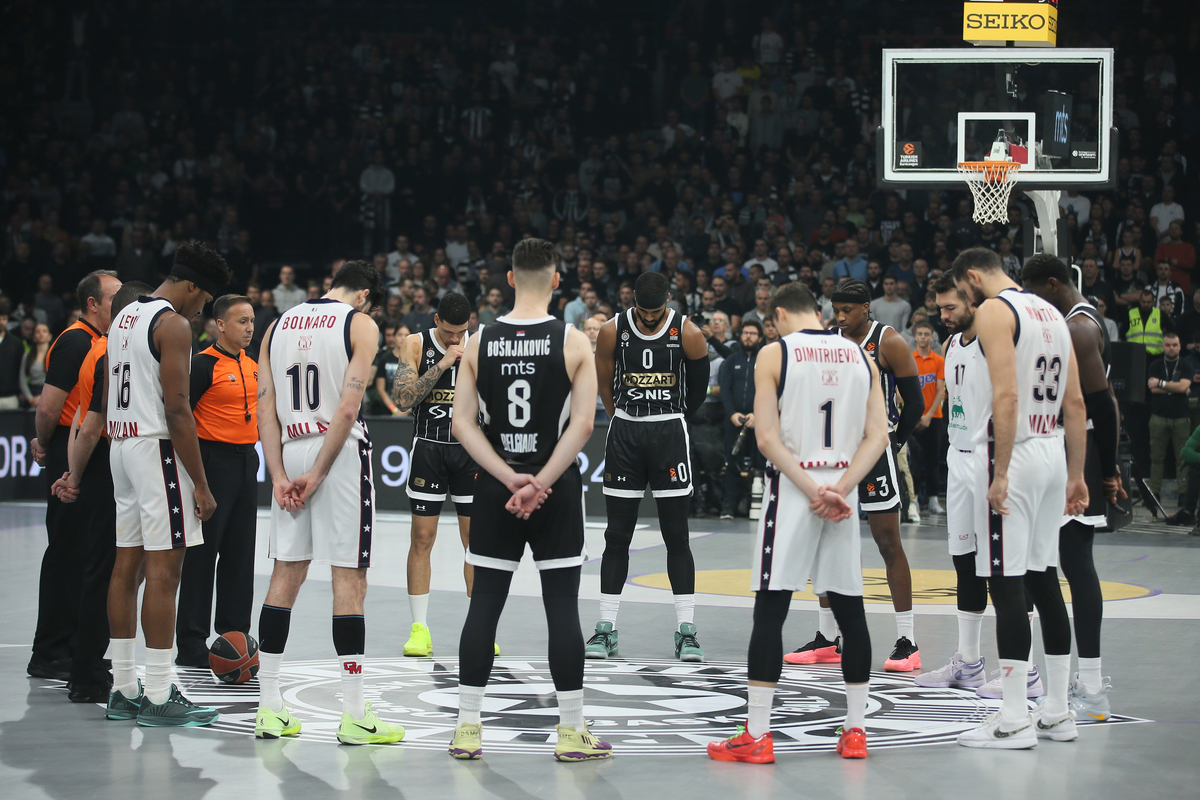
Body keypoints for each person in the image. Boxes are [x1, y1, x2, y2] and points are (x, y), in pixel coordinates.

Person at [706, 281, 889, 763]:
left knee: (771, 608)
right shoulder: (859, 356)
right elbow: (879, 436)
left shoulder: (775, 353)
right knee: (850, 610)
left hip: (796, 489)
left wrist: (813, 491)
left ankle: (758, 734)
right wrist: (841, 490)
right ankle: (855, 731)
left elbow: (766, 438)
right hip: (842, 493)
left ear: (782, 314)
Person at [447, 237, 610, 761]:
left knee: (485, 604)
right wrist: (539, 481)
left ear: (510, 279)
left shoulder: (477, 342)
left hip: (496, 489)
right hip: (555, 490)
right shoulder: (573, 341)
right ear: (557, 280)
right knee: (561, 606)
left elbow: (461, 425)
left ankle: (467, 729)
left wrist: (510, 478)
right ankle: (570, 733)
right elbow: (583, 425)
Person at [254, 259, 406, 744]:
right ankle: (355, 714)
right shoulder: (360, 323)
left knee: (286, 573)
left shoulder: (276, 324)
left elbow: (263, 404)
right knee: (349, 578)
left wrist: (279, 474)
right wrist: (317, 473)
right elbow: (347, 406)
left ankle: (269, 707)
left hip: (289, 448)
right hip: (335, 456)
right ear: (365, 294)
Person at [951, 247, 1088, 749]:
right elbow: (1075, 402)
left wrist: (1001, 471)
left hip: (1015, 453)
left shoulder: (994, 310)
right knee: (1044, 578)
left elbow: (1006, 395)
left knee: (1007, 587)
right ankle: (1057, 710)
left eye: (963, 290)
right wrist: (1076, 475)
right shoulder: (1053, 312)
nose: (966, 300)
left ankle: (1013, 718)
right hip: (1053, 451)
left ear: (973, 278)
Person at [103, 242, 231, 726]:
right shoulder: (173, 323)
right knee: (164, 573)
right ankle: (158, 694)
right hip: (156, 448)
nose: (203, 309)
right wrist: (200, 483)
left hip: (122, 446)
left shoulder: (124, 317)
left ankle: (122, 687)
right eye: (204, 299)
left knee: (126, 568)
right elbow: (177, 408)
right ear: (192, 286)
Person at [787, 278, 924, 672]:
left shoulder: (889, 342)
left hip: (874, 452)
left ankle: (908, 641)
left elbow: (914, 402)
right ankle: (828, 639)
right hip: (835, 455)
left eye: (848, 310)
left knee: (887, 541)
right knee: (825, 541)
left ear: (867, 308)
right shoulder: (829, 341)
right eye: (837, 310)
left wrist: (893, 443)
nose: (841, 317)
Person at [1021, 255, 1125, 722]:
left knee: (1074, 564)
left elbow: (1103, 406)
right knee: (1049, 562)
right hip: (1067, 449)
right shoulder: (1080, 318)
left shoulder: (1079, 329)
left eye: (1035, 293)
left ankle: (1091, 687)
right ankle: (1045, 678)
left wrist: (1109, 469)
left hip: (1075, 452)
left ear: (1052, 284)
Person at [587, 272, 711, 661]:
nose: (650, 318)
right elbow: (604, 382)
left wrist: (671, 418)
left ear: (669, 301)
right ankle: (605, 629)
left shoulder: (687, 332)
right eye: (643, 311)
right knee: (616, 535)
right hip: (625, 434)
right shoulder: (612, 330)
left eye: (656, 312)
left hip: (669, 434)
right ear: (632, 302)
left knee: (677, 535)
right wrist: (622, 416)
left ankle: (686, 631)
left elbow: (698, 390)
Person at [48, 281, 151, 703]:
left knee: (103, 569)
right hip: (110, 469)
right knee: (110, 572)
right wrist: (75, 473)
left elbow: (80, 421)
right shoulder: (111, 352)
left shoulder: (99, 351)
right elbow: (90, 424)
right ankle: (88, 672)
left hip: (94, 467)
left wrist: (73, 472)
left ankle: (89, 663)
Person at [27, 270, 121, 682]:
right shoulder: (75, 341)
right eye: (114, 298)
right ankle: (49, 651)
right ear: (92, 304)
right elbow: (49, 407)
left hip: (81, 445)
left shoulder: (100, 342)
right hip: (71, 446)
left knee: (86, 555)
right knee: (68, 554)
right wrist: (45, 443)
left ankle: (76, 646)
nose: (122, 306)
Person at [914, 273, 991, 692]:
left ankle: (1025, 670)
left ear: (972, 302)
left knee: (1000, 568)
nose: (943, 316)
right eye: (939, 308)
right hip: (957, 458)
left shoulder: (993, 341)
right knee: (964, 563)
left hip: (988, 460)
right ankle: (969, 662)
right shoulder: (949, 345)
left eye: (950, 308)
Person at [174, 295, 260, 667]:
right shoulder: (202, 365)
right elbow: (180, 420)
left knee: (240, 557)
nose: (249, 328)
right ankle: (191, 643)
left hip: (246, 461)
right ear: (220, 324)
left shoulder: (255, 366)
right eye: (242, 321)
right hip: (212, 461)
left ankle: (234, 639)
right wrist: (196, 480)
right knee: (202, 556)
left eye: (252, 321)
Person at [392, 292, 478, 657]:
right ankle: (419, 629)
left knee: (476, 543)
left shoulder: (481, 343)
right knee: (422, 538)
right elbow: (404, 399)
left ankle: (480, 626)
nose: (457, 339)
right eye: (450, 332)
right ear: (437, 320)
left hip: (471, 451)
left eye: (462, 332)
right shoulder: (414, 343)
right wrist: (443, 363)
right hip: (429, 447)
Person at [718, 320, 765, 519]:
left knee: (759, 464)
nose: (748, 336)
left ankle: (757, 505)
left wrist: (759, 413)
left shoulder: (765, 359)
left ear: (760, 338)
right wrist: (732, 413)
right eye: (745, 332)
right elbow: (725, 390)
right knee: (731, 463)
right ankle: (729, 506)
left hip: (759, 420)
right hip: (734, 420)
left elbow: (770, 390)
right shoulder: (731, 360)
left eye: (753, 333)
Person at [1145, 332, 1192, 506]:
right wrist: (1176, 389)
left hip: (1180, 417)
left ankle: (1184, 494)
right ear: (1163, 346)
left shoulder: (1186, 365)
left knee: (1183, 458)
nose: (1171, 348)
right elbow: (1152, 389)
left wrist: (1162, 384)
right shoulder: (1156, 364)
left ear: (1179, 346)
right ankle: (1154, 493)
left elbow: (1184, 386)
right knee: (1156, 457)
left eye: (1174, 345)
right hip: (1158, 416)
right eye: (1168, 345)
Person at [912, 320, 946, 514]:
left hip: (934, 417)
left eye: (927, 334)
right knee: (914, 461)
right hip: (914, 417)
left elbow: (941, 390)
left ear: (932, 337)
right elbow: (903, 390)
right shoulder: (909, 359)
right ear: (915, 336)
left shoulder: (939, 360)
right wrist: (916, 415)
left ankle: (933, 499)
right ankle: (914, 499)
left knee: (933, 459)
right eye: (920, 334)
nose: (923, 337)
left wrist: (929, 416)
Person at [371, 321, 407, 416]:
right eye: (400, 335)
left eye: (407, 335)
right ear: (394, 337)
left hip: (410, 413)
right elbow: (380, 389)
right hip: (387, 411)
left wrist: (407, 410)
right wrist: (394, 410)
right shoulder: (384, 360)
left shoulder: (416, 360)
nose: (403, 338)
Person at [19, 322, 51, 406]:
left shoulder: (55, 356)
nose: (41, 334)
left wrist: (43, 397)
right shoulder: (27, 356)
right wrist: (30, 398)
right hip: (32, 393)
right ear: (34, 336)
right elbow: (22, 379)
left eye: (44, 331)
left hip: (50, 393)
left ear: (49, 336)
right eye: (38, 331)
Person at [0, 306, 24, 407]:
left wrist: (20, 391)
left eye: (4, 319)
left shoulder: (16, 343)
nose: (1, 322)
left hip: (10, 396)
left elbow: (20, 369)